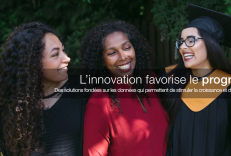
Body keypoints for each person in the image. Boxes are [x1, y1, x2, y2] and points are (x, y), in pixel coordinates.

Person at [81, 20, 168, 156]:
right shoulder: (99, 102)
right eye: (112, 53)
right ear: (102, 61)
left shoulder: (152, 82)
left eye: (127, 47)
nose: (123, 57)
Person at [0, 22, 86, 155]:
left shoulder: (82, 90)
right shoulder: (11, 109)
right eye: (55, 54)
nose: (67, 58)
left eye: (63, 50)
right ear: (33, 65)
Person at [162, 4, 231, 156]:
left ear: (210, 44)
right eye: (181, 42)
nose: (182, 47)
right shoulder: (169, 79)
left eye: (190, 40)